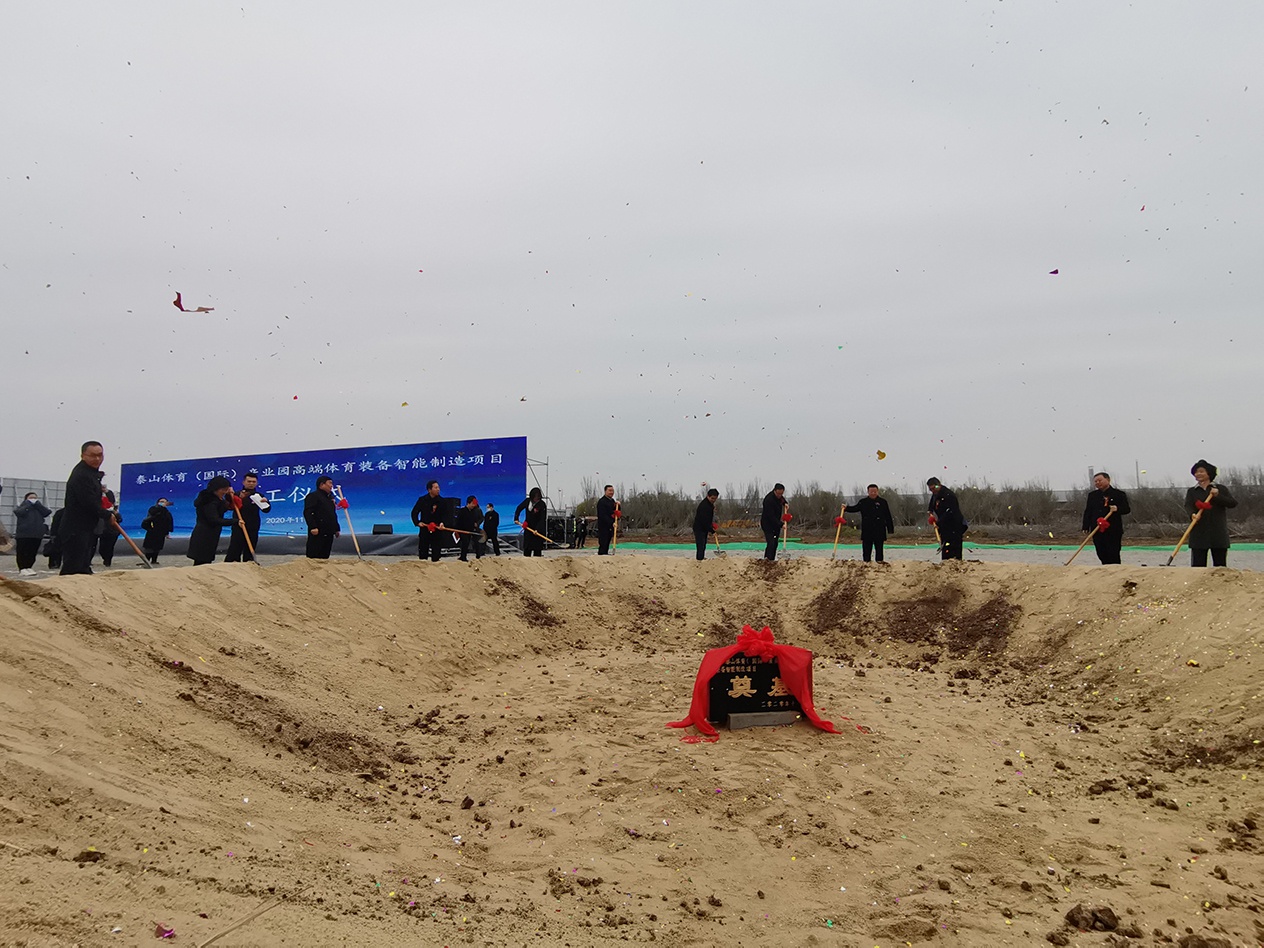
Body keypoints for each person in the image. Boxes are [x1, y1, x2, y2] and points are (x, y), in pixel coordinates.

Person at [60, 441, 111, 576]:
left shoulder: (92, 474)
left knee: (83, 565)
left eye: (100, 455)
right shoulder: (82, 475)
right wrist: (107, 515)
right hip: (76, 528)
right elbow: (88, 502)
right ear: (83, 456)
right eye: (93, 456)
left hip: (87, 527)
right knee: (74, 568)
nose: (97, 459)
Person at [1184, 460, 1237, 567]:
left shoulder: (1220, 489)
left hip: (1217, 533)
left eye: (1201, 471)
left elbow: (1232, 503)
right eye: (1196, 472)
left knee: (1220, 566)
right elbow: (1188, 505)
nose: (1198, 474)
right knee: (1198, 566)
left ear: (1209, 473)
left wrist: (1217, 496)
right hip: (1199, 533)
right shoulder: (1192, 491)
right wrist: (1192, 514)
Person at [1081, 472, 1131, 565]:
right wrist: (1085, 526)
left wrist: (1117, 509)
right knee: (1101, 552)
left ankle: (1115, 569)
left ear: (1108, 480)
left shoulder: (1119, 494)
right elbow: (1088, 511)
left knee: (1113, 552)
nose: (1097, 483)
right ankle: (1105, 568)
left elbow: (1127, 509)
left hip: (1113, 529)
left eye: (1100, 480)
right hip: (1097, 529)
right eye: (1095, 481)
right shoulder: (1092, 495)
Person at [187, 476, 235, 565]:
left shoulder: (216, 499)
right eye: (223, 490)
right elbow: (214, 520)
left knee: (205, 560)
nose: (225, 492)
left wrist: (229, 495)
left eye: (226, 489)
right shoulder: (209, 501)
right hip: (204, 534)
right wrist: (234, 521)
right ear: (215, 489)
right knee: (202, 561)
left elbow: (224, 507)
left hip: (211, 534)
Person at [225, 472, 271, 562]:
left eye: (253, 482)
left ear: (257, 483)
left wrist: (267, 503)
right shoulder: (236, 494)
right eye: (249, 481)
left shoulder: (259, 496)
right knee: (235, 548)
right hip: (239, 524)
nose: (251, 483)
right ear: (243, 482)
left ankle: (250, 564)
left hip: (253, 526)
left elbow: (266, 510)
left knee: (250, 550)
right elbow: (228, 504)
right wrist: (228, 494)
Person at [845, 484, 896, 563]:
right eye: (871, 492)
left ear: (877, 491)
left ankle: (879, 563)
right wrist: (846, 508)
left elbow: (888, 516)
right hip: (867, 530)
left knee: (879, 550)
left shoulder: (883, 502)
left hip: (879, 530)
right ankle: (866, 563)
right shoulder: (863, 502)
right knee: (866, 550)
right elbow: (855, 508)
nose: (873, 493)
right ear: (868, 492)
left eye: (875, 492)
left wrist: (890, 529)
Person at [13, 491, 53, 576]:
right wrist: (28, 504)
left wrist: (38, 504)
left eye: (35, 498)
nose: (33, 499)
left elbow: (47, 512)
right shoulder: (22, 507)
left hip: (36, 534)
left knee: (32, 552)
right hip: (23, 534)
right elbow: (19, 512)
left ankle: (29, 567)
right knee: (22, 551)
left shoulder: (39, 508)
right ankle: (22, 568)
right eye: (31, 498)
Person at [926, 477, 966, 561]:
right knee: (945, 546)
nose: (933, 491)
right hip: (944, 527)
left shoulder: (949, 495)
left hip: (954, 525)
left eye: (934, 488)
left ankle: (956, 561)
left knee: (954, 547)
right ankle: (945, 562)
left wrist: (938, 523)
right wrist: (930, 513)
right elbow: (931, 505)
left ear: (939, 485)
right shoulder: (935, 495)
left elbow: (950, 512)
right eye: (931, 489)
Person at [411, 479, 448, 562]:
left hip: (437, 529)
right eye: (436, 488)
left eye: (438, 487)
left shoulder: (442, 501)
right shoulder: (422, 500)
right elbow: (414, 512)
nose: (438, 489)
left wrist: (443, 523)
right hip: (425, 529)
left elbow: (445, 515)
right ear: (429, 490)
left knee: (436, 553)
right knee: (423, 552)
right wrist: (417, 522)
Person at [304, 475, 340, 559]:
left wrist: (336, 528)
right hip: (318, 530)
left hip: (329, 530)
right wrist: (313, 526)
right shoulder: (313, 496)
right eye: (329, 483)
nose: (331, 486)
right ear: (322, 485)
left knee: (325, 555)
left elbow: (332, 514)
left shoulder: (329, 498)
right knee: (315, 555)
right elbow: (308, 512)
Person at [514, 487, 548, 557]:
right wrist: (516, 518)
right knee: (527, 548)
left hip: (537, 530)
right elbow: (519, 508)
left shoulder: (542, 504)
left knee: (537, 549)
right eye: (535, 497)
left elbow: (542, 519)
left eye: (537, 497)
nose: (536, 498)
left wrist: (537, 529)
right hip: (528, 527)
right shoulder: (527, 501)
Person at [141, 498, 174, 564]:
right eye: (161, 501)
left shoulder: (167, 512)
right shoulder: (153, 509)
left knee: (157, 547)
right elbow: (148, 519)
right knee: (149, 547)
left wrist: (167, 533)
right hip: (152, 531)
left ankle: (154, 560)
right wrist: (149, 528)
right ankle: (147, 561)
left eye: (164, 502)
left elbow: (168, 522)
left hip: (161, 533)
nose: (162, 503)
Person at [760, 483, 788, 561]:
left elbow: (782, 499)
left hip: (775, 525)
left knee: (775, 543)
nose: (780, 495)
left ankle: (771, 559)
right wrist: (781, 524)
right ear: (775, 491)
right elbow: (771, 517)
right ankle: (767, 559)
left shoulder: (779, 497)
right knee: (771, 542)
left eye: (781, 494)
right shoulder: (768, 500)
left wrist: (785, 503)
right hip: (767, 524)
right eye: (778, 494)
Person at [96, 486, 121, 567]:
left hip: (113, 533)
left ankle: (108, 561)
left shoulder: (114, 512)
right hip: (104, 532)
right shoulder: (101, 512)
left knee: (109, 547)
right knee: (102, 549)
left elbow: (120, 519)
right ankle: (105, 558)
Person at [693, 488, 719, 561]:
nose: (713, 500)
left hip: (704, 527)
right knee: (700, 545)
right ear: (708, 496)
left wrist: (712, 525)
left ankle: (701, 558)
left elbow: (708, 519)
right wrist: (712, 531)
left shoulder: (710, 505)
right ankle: (699, 560)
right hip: (699, 528)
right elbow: (704, 521)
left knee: (704, 544)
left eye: (715, 499)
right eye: (712, 498)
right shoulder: (704, 506)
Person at [455, 495, 484, 561]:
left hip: (471, 530)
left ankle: (477, 555)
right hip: (463, 530)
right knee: (465, 543)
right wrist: (457, 530)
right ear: (468, 503)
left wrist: (476, 524)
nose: (473, 505)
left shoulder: (474, 511)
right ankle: (463, 557)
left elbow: (478, 519)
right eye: (472, 504)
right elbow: (458, 521)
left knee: (470, 543)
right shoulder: (462, 511)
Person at [595, 485, 618, 555]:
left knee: (608, 542)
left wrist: (618, 506)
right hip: (603, 526)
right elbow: (603, 516)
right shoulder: (602, 502)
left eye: (612, 491)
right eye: (609, 491)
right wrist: (611, 523)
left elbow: (615, 512)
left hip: (611, 527)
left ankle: (606, 555)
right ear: (605, 491)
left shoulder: (612, 501)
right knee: (603, 543)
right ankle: (602, 556)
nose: (611, 492)